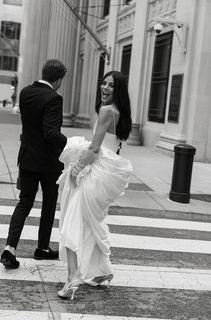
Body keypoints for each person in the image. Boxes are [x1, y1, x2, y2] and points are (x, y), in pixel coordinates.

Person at [57, 70, 133, 299]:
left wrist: (76, 169)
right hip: (106, 178)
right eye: (103, 83)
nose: (105, 88)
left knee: (72, 223)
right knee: (92, 223)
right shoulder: (121, 112)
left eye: (110, 85)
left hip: (96, 175)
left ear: (117, 90)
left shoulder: (107, 110)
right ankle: (102, 272)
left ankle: (71, 280)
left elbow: (95, 148)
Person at [0, 59, 67, 269]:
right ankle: (42, 249)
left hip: (27, 158)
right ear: (58, 80)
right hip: (49, 162)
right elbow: (50, 132)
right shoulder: (54, 98)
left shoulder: (25, 92)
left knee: (24, 202)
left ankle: (9, 248)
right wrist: (72, 144)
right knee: (48, 204)